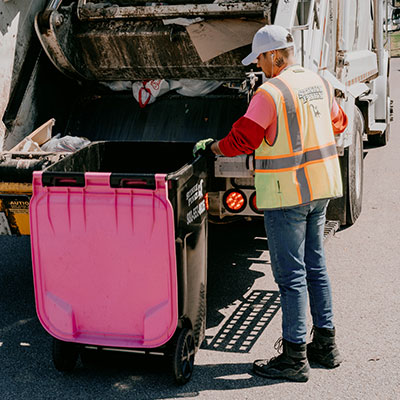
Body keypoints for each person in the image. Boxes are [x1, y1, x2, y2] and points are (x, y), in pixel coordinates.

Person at [193, 24, 348, 382]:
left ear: (274, 55)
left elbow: (242, 140)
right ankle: (326, 345)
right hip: (320, 189)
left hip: (286, 194)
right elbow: (338, 123)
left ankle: (294, 357)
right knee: (315, 267)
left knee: (291, 276)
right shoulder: (319, 82)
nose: (259, 66)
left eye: (260, 58)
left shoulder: (270, 92)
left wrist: (212, 147)